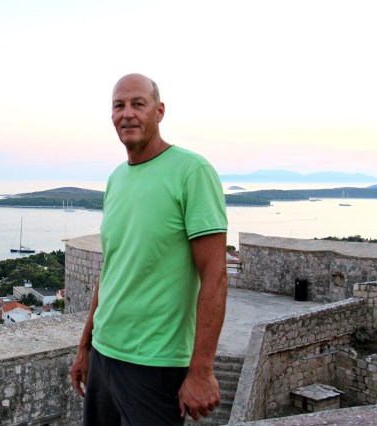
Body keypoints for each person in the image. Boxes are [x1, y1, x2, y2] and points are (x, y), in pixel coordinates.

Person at [70, 73, 228, 425]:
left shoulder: (192, 171)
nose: (127, 114)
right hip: (104, 355)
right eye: (119, 106)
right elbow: (112, 269)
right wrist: (85, 347)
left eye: (138, 104)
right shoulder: (116, 179)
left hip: (156, 364)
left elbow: (215, 275)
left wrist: (201, 371)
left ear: (159, 111)